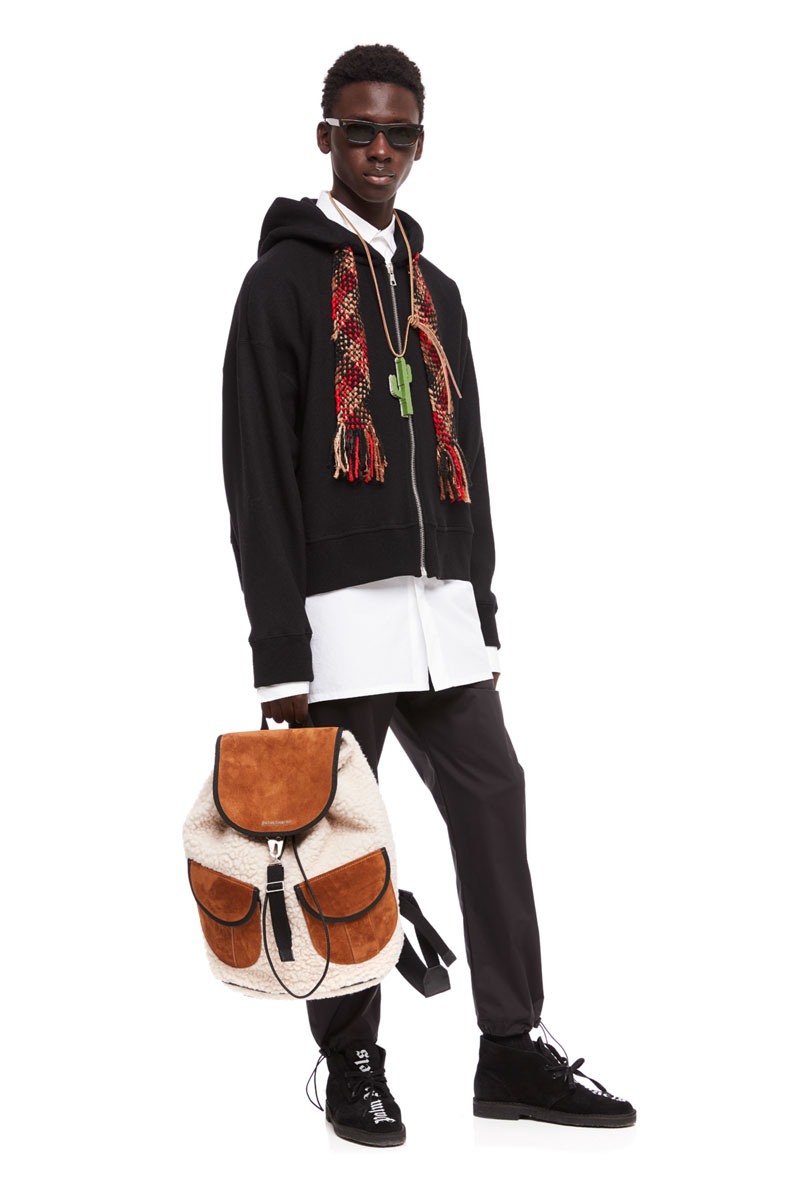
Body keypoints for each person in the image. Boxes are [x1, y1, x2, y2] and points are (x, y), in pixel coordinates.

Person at [221, 42, 635, 1147]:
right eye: (358, 130)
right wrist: (279, 653)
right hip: (334, 621)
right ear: (325, 137)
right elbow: (257, 475)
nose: (378, 150)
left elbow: (469, 457)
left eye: (397, 133)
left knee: (494, 797)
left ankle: (511, 1046)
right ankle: (352, 1058)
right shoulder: (280, 284)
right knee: (337, 842)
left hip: (439, 612)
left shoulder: (435, 291)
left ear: (419, 144)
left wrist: (480, 607)